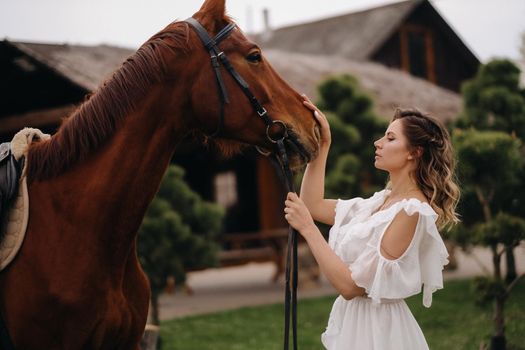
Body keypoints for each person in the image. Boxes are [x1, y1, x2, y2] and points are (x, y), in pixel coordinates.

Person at [284, 95, 460, 350]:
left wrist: (308, 229)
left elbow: (351, 286)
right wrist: (323, 145)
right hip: (355, 325)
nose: (378, 143)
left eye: (390, 138)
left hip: (379, 334)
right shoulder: (378, 203)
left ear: (414, 152)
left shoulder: (412, 211)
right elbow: (312, 205)